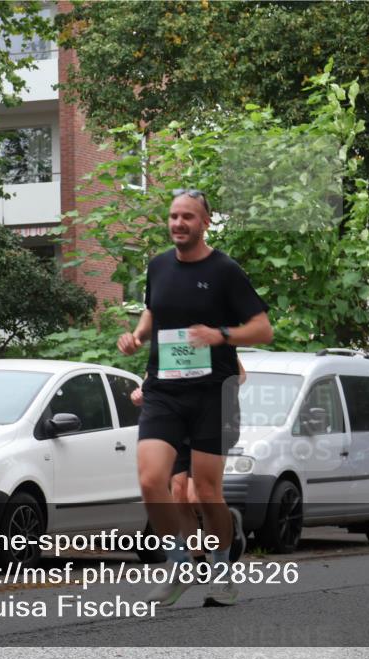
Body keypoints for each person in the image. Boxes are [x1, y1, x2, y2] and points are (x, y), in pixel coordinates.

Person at [117, 188, 272, 607]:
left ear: (205, 222)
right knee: (153, 481)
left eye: (187, 217)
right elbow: (154, 309)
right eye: (172, 216)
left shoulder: (225, 271)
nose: (178, 224)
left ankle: (221, 568)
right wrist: (137, 335)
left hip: (212, 393)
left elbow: (262, 328)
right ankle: (179, 563)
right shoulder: (158, 266)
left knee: (205, 492)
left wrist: (220, 334)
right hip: (164, 390)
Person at [129, 360, 248, 566]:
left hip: (208, 421)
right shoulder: (166, 340)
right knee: (179, 493)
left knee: (197, 497)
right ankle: (198, 558)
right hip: (176, 423)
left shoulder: (210, 335)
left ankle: (228, 523)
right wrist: (140, 393)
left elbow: (240, 376)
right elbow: (151, 381)